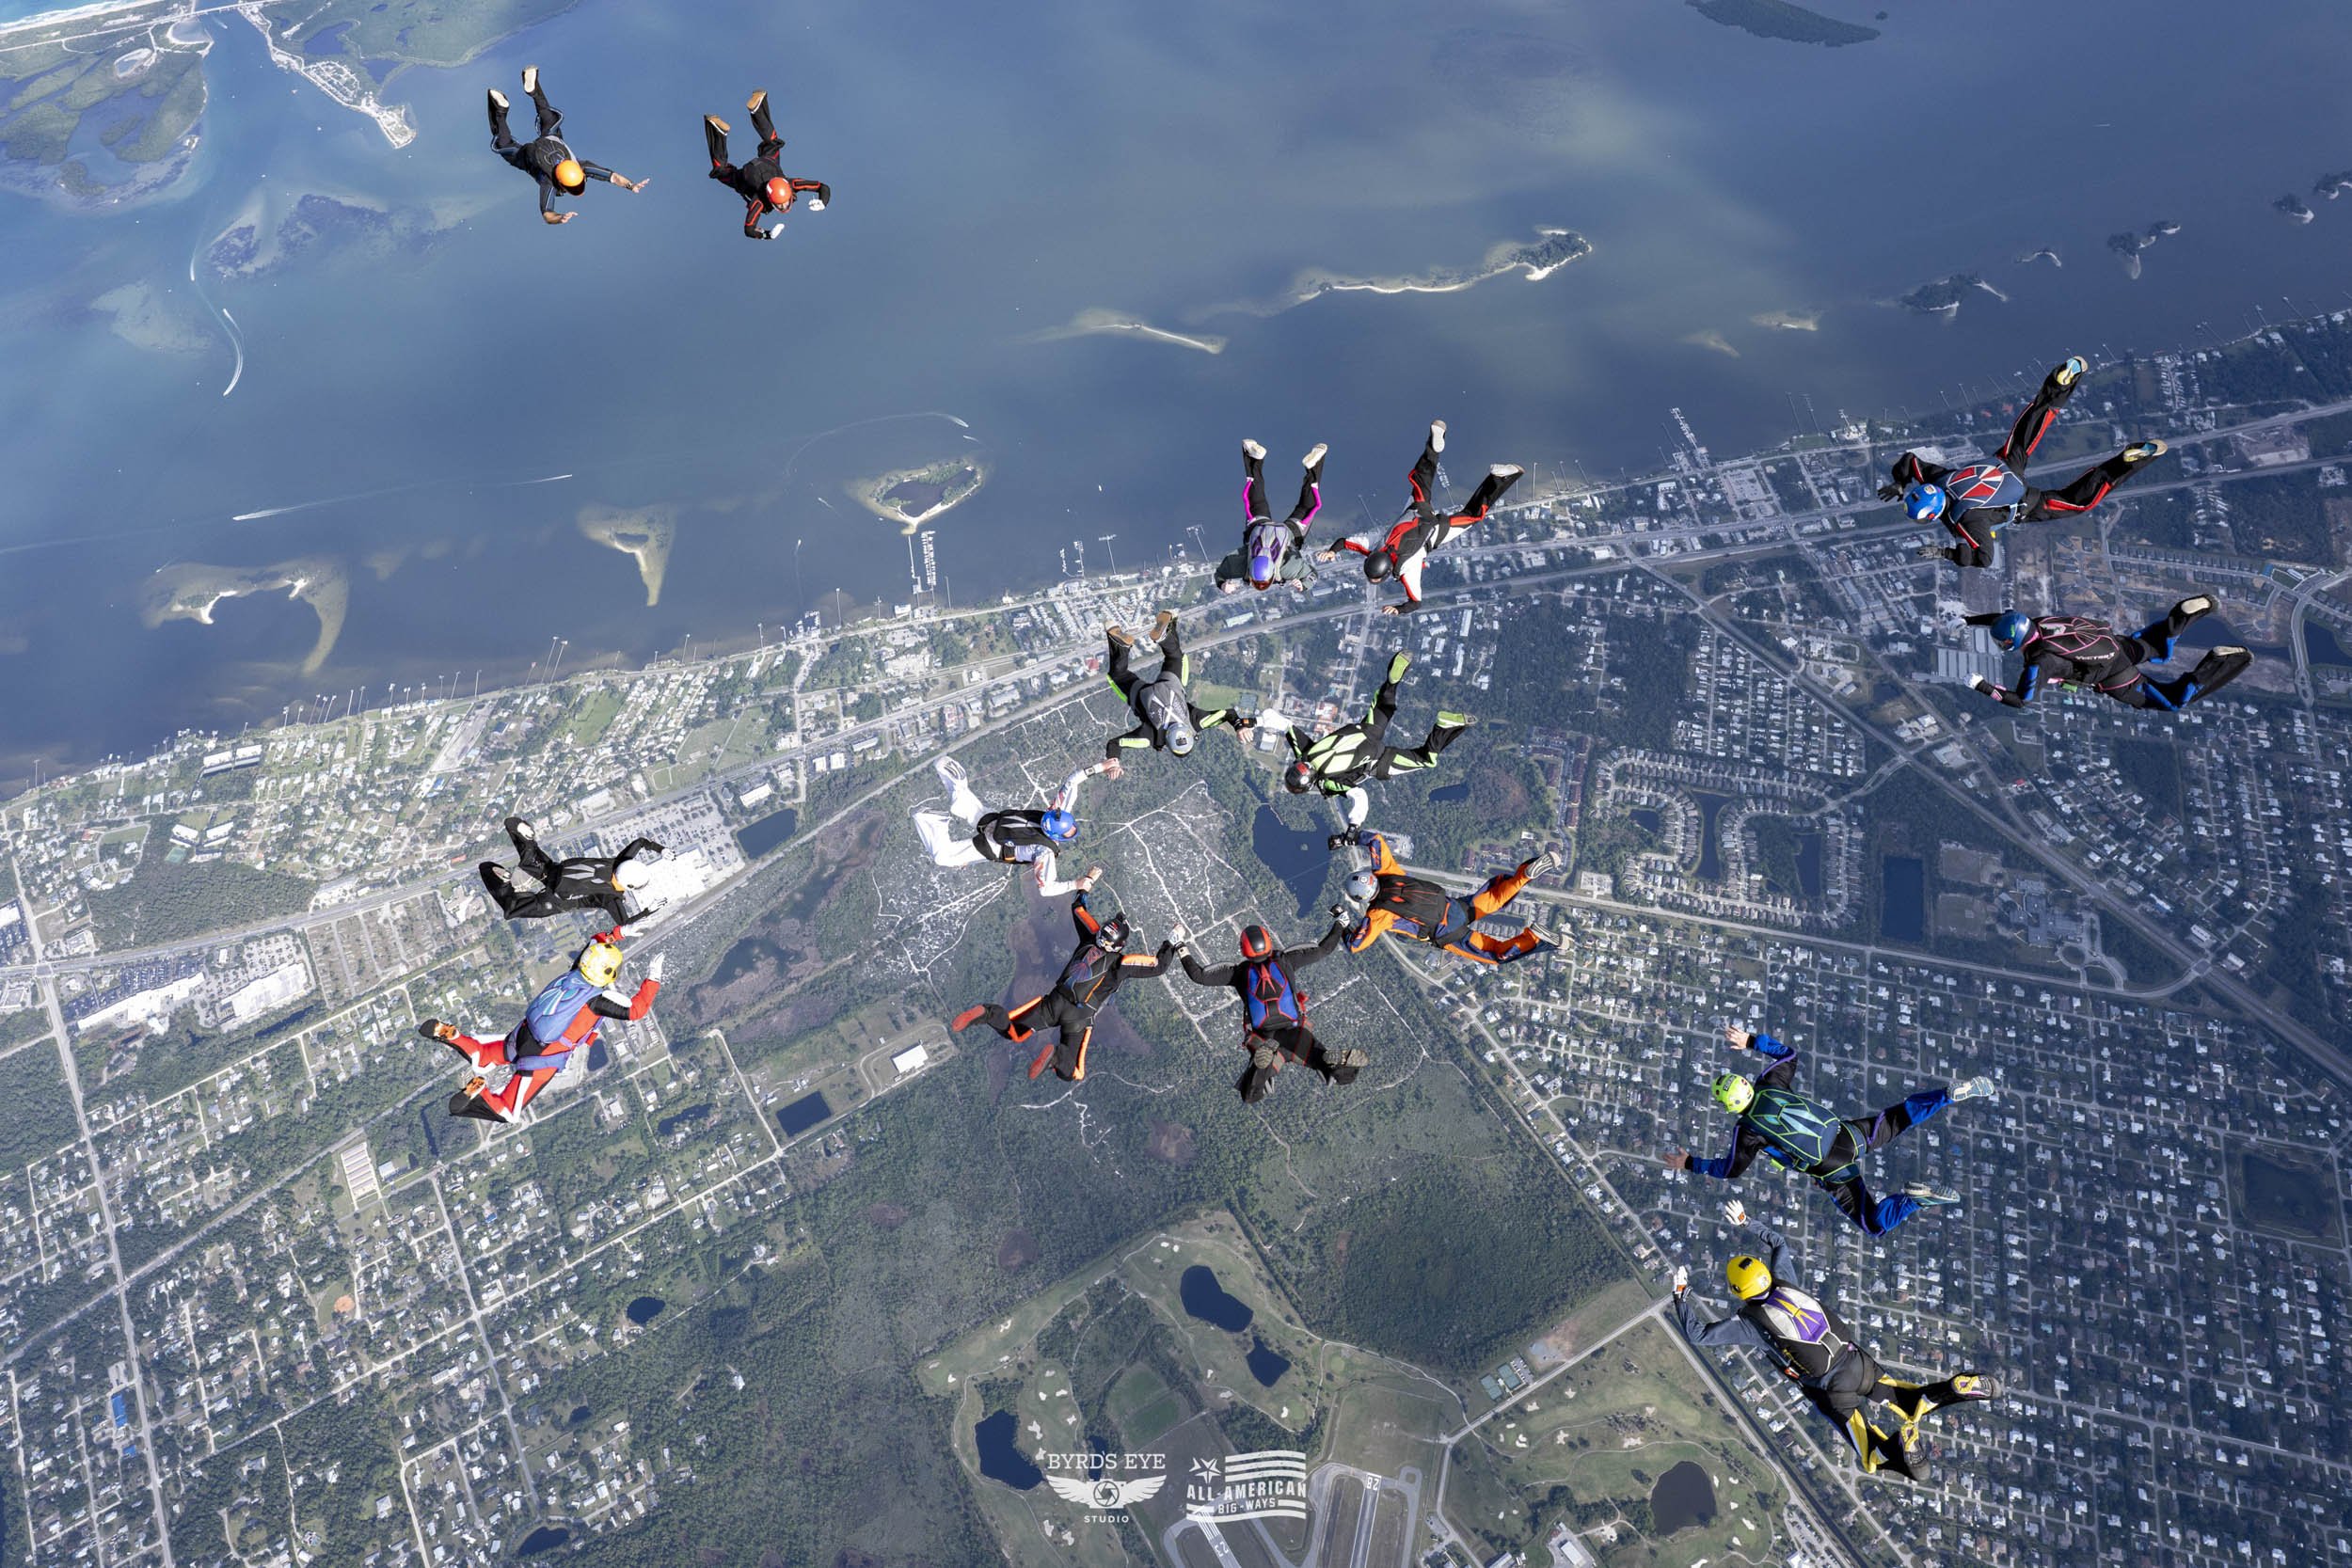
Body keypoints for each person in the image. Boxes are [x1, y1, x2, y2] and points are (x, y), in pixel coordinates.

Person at [1675, 1200, 1997, 1480]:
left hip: (1831, 1390)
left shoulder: (1750, 1324)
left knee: (1868, 1453)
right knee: (1908, 1398)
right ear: (1764, 1274)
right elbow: (1779, 1243)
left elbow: (1698, 1334)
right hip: (1857, 1362)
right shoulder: (1786, 1280)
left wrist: (1680, 1297)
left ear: (1738, 1293)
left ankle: (1900, 1449)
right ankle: (1953, 1389)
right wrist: (1747, 1222)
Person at [1662, 1024, 1994, 1235]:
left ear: (1729, 1107)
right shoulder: (1769, 1083)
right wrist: (1750, 1040)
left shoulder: (1747, 1131)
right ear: (1747, 1084)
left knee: (1874, 1222)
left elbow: (1730, 1170)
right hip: (1847, 1135)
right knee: (1901, 1116)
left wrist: (1690, 1163)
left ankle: (1912, 1202)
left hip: (1830, 1168)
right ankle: (1945, 1096)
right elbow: (1789, 1054)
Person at [1883, 356, 2167, 567]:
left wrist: (1944, 553)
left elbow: (1982, 559)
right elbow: (1909, 461)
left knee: (2078, 502)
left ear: (1932, 516)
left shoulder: (1965, 520)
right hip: (2004, 465)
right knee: (2028, 428)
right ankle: (2058, 384)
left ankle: (2126, 463)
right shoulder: (1938, 480)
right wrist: (1900, 483)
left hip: (2026, 503)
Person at [421, 933, 663, 1123]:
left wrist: (619, 933)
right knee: (508, 1112)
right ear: (608, 973)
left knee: (485, 1056)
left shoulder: (575, 972)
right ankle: (480, 1092)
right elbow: (636, 1010)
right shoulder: (598, 1000)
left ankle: (453, 1036)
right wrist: (653, 977)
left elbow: (595, 942)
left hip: (524, 1033)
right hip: (545, 1055)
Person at [949, 892, 1175, 1083]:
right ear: (1120, 944)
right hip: (1080, 1014)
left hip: (1055, 1000)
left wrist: (1084, 889)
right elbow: (1158, 966)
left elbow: (1078, 909)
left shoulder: (1090, 936)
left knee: (1014, 1031)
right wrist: (1172, 942)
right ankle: (1056, 1057)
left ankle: (987, 1013)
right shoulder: (1122, 963)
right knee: (1074, 1072)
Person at [1319, 420, 1522, 613]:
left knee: (1473, 515)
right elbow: (1345, 542)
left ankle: (1500, 478)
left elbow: (1415, 603)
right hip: (1416, 510)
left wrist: (1398, 609)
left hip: (1437, 531)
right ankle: (1434, 446)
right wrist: (1332, 551)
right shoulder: (1374, 545)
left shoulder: (1408, 569)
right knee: (1422, 478)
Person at [1273, 651, 1470, 835]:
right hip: (1367, 732)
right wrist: (1246, 723)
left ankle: (1443, 727)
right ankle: (1393, 680)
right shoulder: (1306, 752)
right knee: (1384, 704)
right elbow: (1284, 724)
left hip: (1379, 762)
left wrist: (1353, 826)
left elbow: (1360, 798)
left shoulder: (1329, 783)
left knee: (1426, 759)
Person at [1174, 916, 1363, 1102]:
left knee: (1250, 1094)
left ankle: (1262, 1068)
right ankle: (1334, 1065)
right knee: (1333, 1068)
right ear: (1268, 942)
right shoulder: (1286, 961)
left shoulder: (1239, 973)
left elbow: (1198, 975)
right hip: (1295, 1033)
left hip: (1265, 1039)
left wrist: (1180, 945)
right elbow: (1324, 950)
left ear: (1243, 949)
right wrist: (1340, 923)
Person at [1963, 597, 2250, 710]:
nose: (2001, 646)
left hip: (2115, 677)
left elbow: (2020, 701)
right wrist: (1968, 620)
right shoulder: (2040, 624)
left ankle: (2223, 661)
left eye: (2002, 643)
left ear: (2012, 642)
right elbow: (2004, 618)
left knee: (2173, 702)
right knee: (2158, 648)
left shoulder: (2039, 663)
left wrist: (1981, 686)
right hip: (2115, 645)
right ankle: (2183, 617)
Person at [1336, 831, 1559, 967]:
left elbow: (1356, 945)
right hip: (1454, 907)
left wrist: (1342, 925)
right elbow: (1375, 840)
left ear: (1361, 898)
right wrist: (1350, 838)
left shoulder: (1377, 915)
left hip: (1449, 934)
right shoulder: (1388, 873)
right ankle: (1524, 874)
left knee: (1495, 954)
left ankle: (1535, 939)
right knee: (1495, 898)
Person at [912, 755, 1102, 895]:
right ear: (1058, 836)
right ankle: (931, 820)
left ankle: (952, 776)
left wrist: (1102, 766)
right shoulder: (1045, 853)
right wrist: (1077, 884)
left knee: (964, 804)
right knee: (943, 857)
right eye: (1069, 832)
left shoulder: (1056, 812)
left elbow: (1072, 781)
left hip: (998, 821)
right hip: (994, 846)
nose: (1072, 831)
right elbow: (1046, 889)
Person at [488, 66, 646, 225]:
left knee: (548, 119)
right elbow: (547, 215)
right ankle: (500, 111)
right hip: (529, 156)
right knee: (503, 144)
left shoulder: (581, 167)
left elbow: (613, 177)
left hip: (550, 140)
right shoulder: (549, 183)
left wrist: (630, 185)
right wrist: (560, 218)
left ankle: (534, 89)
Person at [1099, 610, 1249, 771]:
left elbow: (1228, 713)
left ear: (1190, 736)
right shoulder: (1151, 738)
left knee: (1176, 658)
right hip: (1142, 695)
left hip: (1171, 685)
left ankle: (1165, 637)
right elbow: (1116, 743)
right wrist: (1113, 762)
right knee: (1118, 675)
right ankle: (1120, 645)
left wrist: (1239, 726)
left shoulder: (1196, 723)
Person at [479, 816, 666, 926]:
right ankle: (504, 882)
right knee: (511, 910)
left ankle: (524, 838)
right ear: (630, 885)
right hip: (555, 900)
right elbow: (626, 925)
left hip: (554, 871)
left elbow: (640, 842)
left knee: (531, 857)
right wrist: (648, 912)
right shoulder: (611, 897)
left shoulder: (618, 861)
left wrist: (661, 850)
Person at [705, 88, 832, 241]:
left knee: (772, 143)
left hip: (767, 164)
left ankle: (757, 108)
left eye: (782, 204)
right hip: (748, 174)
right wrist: (767, 235)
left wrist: (823, 201)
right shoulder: (760, 201)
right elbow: (749, 229)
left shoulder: (792, 184)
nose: (784, 207)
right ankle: (716, 129)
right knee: (721, 172)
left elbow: (822, 187)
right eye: (782, 205)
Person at [1215, 439, 1327, 594]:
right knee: (1256, 498)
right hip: (1259, 526)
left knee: (1306, 506)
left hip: (1290, 533)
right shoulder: (1239, 566)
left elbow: (1313, 575)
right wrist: (1222, 585)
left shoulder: (1288, 570)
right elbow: (1219, 574)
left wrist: (1304, 585)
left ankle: (1314, 466)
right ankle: (1255, 459)